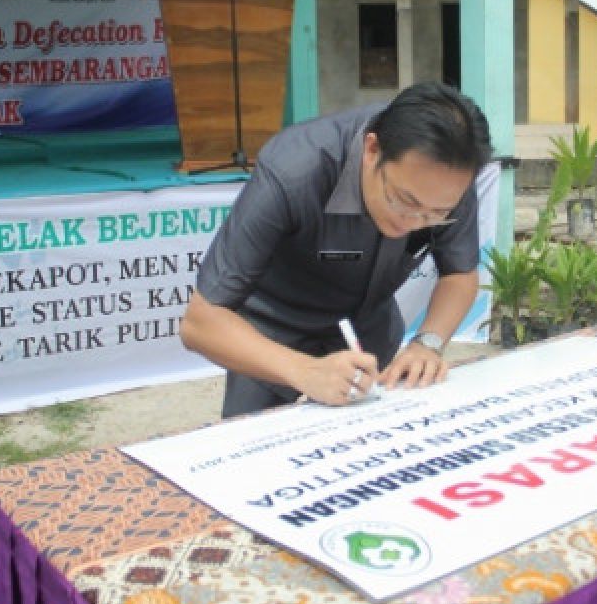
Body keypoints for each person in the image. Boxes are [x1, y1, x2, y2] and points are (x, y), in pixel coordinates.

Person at [180, 81, 491, 418]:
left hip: (369, 334)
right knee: (257, 458)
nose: (414, 222)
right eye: (404, 202)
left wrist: (427, 344)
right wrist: (304, 371)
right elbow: (200, 322)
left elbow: (459, 274)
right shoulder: (294, 169)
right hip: (272, 336)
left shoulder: (449, 178)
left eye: (436, 214)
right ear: (372, 150)